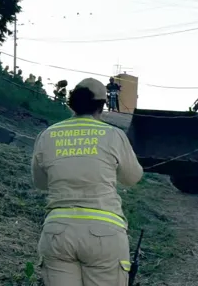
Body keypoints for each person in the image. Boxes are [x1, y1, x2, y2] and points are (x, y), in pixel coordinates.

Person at [31, 78, 143, 285]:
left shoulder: (48, 135)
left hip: (57, 232)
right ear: (102, 105)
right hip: (105, 233)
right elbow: (132, 178)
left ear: (71, 103)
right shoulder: (114, 135)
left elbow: (40, 182)